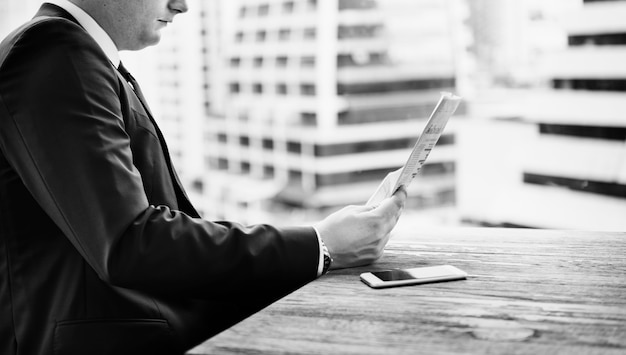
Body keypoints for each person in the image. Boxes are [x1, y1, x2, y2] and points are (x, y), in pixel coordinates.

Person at [0, 0, 406, 354]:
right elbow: (130, 242)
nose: (183, 5)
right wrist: (321, 245)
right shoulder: (58, 54)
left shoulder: (77, 57)